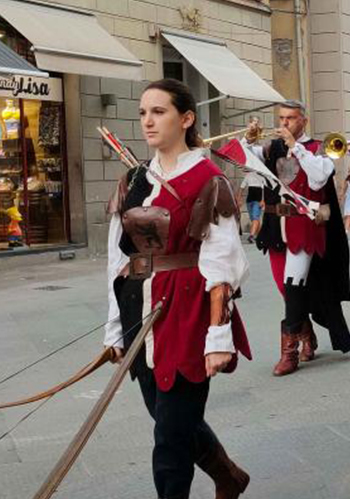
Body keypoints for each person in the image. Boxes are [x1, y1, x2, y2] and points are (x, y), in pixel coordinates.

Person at [104, 78, 252, 499]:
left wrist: (218, 335)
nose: (148, 121)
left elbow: (223, 262)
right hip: (139, 312)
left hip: (188, 312)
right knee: (169, 418)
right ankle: (228, 474)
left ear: (186, 119)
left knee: (169, 440)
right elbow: (119, 261)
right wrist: (114, 327)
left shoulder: (210, 178)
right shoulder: (133, 179)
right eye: (143, 112)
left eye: (159, 111)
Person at [241, 100, 350, 376]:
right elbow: (243, 160)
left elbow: (317, 179)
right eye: (281, 118)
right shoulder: (271, 148)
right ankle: (305, 332)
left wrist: (295, 145)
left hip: (304, 226)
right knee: (285, 288)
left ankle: (288, 354)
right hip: (275, 226)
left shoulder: (318, 151)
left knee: (293, 285)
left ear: (304, 120)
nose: (284, 123)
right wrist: (248, 137)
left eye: (290, 118)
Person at [237, 170, 264, 243]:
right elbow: (241, 187)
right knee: (254, 219)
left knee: (255, 217)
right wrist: (239, 198)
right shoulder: (249, 175)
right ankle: (258, 236)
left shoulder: (263, 175)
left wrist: (263, 200)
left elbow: (264, 189)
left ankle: (251, 236)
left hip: (258, 201)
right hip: (249, 200)